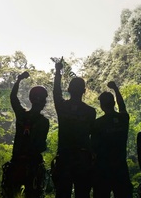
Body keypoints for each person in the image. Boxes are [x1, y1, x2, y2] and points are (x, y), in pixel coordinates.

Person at [52, 59, 97, 198]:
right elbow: (92, 134)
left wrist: (58, 73)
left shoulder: (62, 107)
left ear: (69, 90)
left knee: (62, 194)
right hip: (83, 159)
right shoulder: (90, 112)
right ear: (84, 91)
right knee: (83, 194)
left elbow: (56, 93)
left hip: (64, 158)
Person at [2, 71, 50, 198]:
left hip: (16, 162)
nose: (45, 102)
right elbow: (41, 146)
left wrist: (19, 80)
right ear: (40, 101)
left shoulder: (22, 115)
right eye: (44, 99)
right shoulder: (44, 122)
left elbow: (13, 97)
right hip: (33, 166)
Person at [91, 81, 133, 198]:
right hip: (120, 167)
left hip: (102, 169)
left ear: (102, 105)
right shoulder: (123, 118)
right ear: (113, 103)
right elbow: (122, 106)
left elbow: (93, 147)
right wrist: (115, 89)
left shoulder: (97, 123)